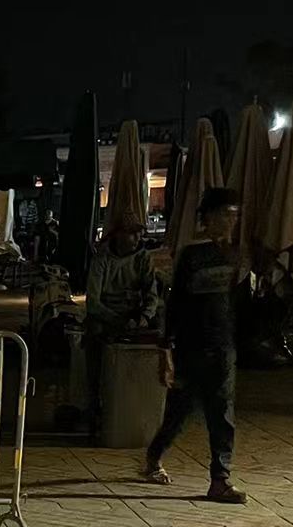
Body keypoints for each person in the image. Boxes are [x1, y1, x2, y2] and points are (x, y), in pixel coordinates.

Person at [143, 187, 247, 503]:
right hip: (191, 347)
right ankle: (154, 455)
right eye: (227, 215)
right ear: (210, 217)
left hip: (223, 346)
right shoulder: (192, 255)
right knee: (180, 412)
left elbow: (237, 303)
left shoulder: (235, 254)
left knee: (222, 414)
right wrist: (167, 350)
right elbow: (175, 306)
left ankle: (220, 479)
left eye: (235, 215)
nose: (231, 221)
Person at [83, 221, 160, 429]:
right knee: (96, 350)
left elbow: (152, 295)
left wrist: (144, 317)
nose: (136, 240)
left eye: (139, 235)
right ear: (118, 234)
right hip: (106, 317)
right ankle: (94, 406)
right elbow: (93, 303)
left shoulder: (143, 258)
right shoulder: (102, 259)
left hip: (135, 316)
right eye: (131, 234)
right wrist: (118, 320)